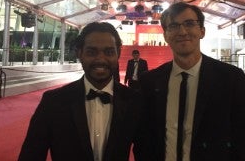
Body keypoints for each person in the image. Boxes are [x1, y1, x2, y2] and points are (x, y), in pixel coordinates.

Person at [139, 2, 245, 161]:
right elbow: (143, 138)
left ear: (202, 31)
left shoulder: (230, 78)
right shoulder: (149, 81)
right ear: (165, 35)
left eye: (189, 24)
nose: (182, 31)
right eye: (174, 26)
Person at [18, 22, 151, 161]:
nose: (100, 59)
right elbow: (31, 155)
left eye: (109, 52)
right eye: (91, 52)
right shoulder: (53, 102)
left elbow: (145, 153)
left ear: (118, 54)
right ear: (79, 53)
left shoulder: (134, 101)